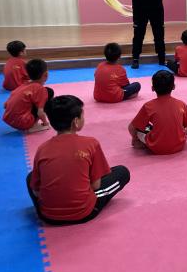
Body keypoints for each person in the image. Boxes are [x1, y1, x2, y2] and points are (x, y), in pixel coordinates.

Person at [26, 96, 131, 225]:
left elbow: (36, 191)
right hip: (83, 213)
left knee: (31, 177)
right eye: (82, 116)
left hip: (48, 216)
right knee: (122, 172)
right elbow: (95, 186)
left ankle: (45, 208)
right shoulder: (91, 144)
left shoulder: (42, 148)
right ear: (76, 122)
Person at [128, 70, 187, 155]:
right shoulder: (181, 104)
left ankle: (139, 142)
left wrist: (135, 139)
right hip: (179, 145)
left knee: (140, 127)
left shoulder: (148, 106)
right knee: (178, 122)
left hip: (156, 147)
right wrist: (183, 133)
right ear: (173, 87)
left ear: (153, 88)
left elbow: (131, 128)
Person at [3, 59, 54, 133]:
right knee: (47, 94)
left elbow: (5, 105)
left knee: (47, 92)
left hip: (8, 119)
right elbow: (40, 112)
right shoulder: (40, 89)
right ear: (46, 74)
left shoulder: (22, 86)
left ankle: (26, 121)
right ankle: (33, 126)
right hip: (23, 122)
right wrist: (46, 124)